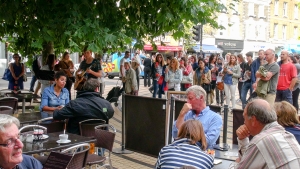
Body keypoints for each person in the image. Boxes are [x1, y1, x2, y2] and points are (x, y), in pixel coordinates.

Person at [234, 98, 300, 168]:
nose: (244, 122)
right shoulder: (287, 135)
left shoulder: (261, 140)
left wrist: (236, 163)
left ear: (253, 120)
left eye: (245, 118)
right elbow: (249, 160)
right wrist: (243, 139)